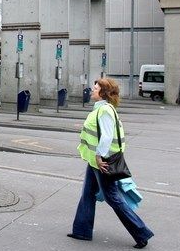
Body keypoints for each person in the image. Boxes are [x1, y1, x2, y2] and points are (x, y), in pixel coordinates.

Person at [68, 78, 154, 249]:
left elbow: (106, 137)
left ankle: (141, 232)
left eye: (95, 88)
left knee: (113, 198)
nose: (92, 90)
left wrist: (99, 157)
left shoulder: (105, 110)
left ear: (103, 92)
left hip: (103, 162)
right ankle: (82, 230)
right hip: (95, 161)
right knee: (87, 194)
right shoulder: (100, 108)